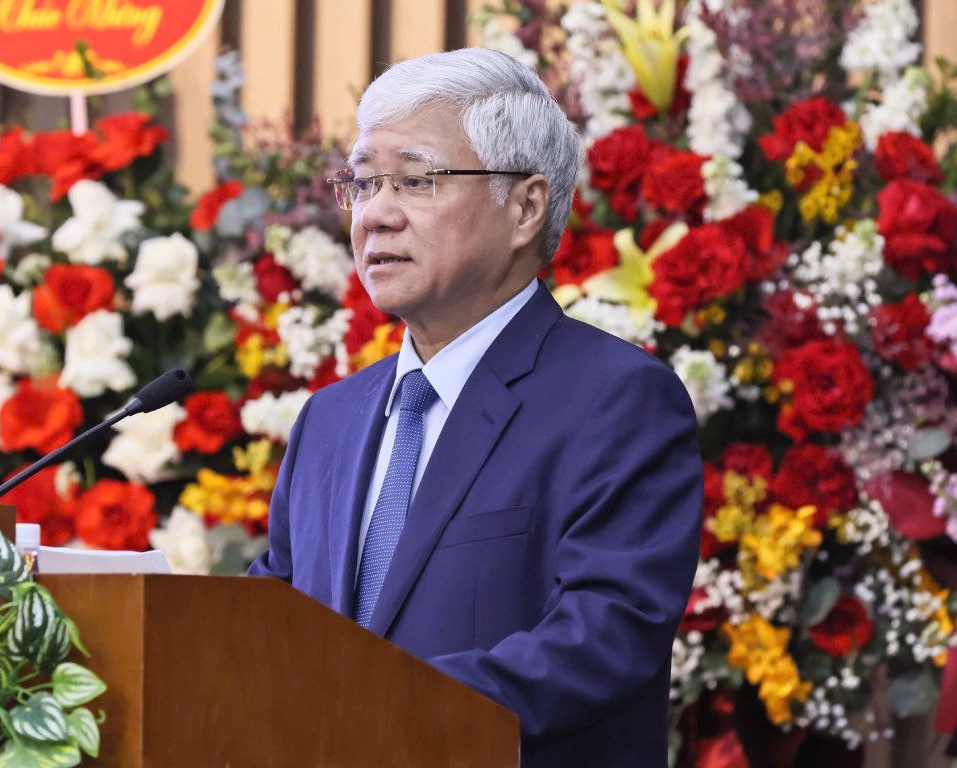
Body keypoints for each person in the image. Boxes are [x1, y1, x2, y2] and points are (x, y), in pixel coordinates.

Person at [248, 47, 703, 767]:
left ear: (523, 207)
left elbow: (604, 635)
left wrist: (363, 704)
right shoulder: (329, 421)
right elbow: (267, 625)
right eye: (363, 184)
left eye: (416, 181)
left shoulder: (614, 400)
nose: (376, 216)